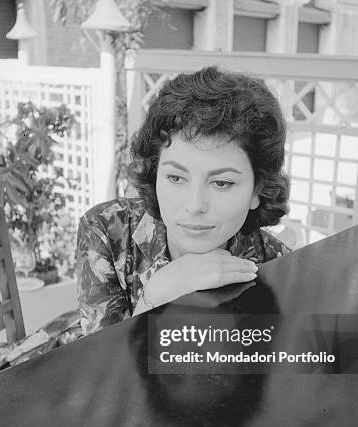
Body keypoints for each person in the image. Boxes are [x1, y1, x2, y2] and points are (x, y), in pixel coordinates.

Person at [77, 66, 290, 336]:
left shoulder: (277, 265)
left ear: (257, 190)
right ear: (155, 173)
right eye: (176, 178)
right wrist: (156, 296)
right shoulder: (106, 230)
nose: (194, 205)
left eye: (221, 183)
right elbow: (103, 368)